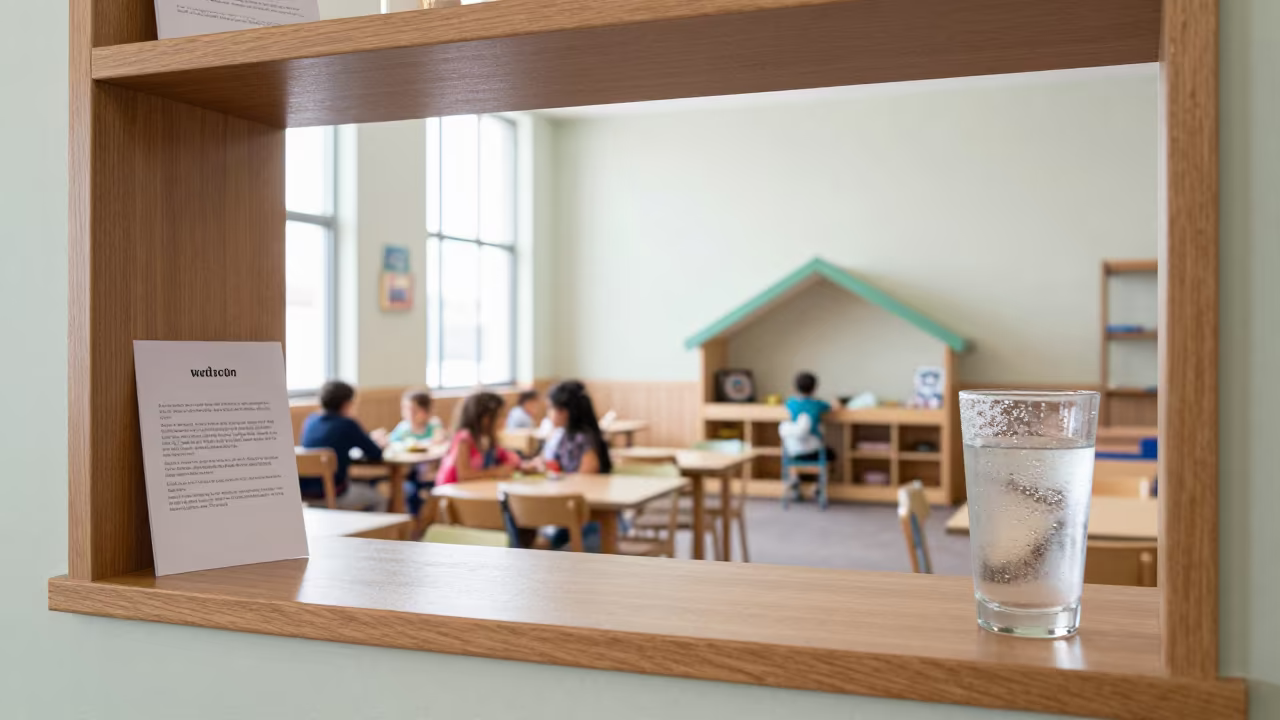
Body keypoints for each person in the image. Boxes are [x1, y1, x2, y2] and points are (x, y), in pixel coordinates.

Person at [299, 380, 388, 511]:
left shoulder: (310, 421)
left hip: (305, 494)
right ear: (347, 403)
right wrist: (378, 442)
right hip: (334, 494)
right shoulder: (347, 424)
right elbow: (375, 454)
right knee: (379, 499)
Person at [435, 392, 523, 486]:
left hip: (473, 488)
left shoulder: (488, 439)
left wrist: (522, 466)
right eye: (500, 416)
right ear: (485, 419)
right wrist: (496, 472)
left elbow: (508, 458)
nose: (504, 420)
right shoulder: (464, 438)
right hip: (453, 490)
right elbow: (463, 476)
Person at [545, 380, 612, 474]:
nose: (548, 413)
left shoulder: (583, 438)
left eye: (550, 407)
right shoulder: (565, 434)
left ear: (565, 411)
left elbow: (586, 475)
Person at [784, 371, 836, 464]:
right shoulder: (817, 404)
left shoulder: (790, 403)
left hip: (793, 450)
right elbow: (833, 407)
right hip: (814, 450)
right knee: (832, 454)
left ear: (795, 388)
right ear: (814, 388)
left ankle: (794, 471)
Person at [378, 388, 445, 446]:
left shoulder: (434, 424)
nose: (409, 413)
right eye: (404, 408)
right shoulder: (403, 428)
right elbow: (390, 441)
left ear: (426, 411)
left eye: (414, 410)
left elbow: (440, 439)